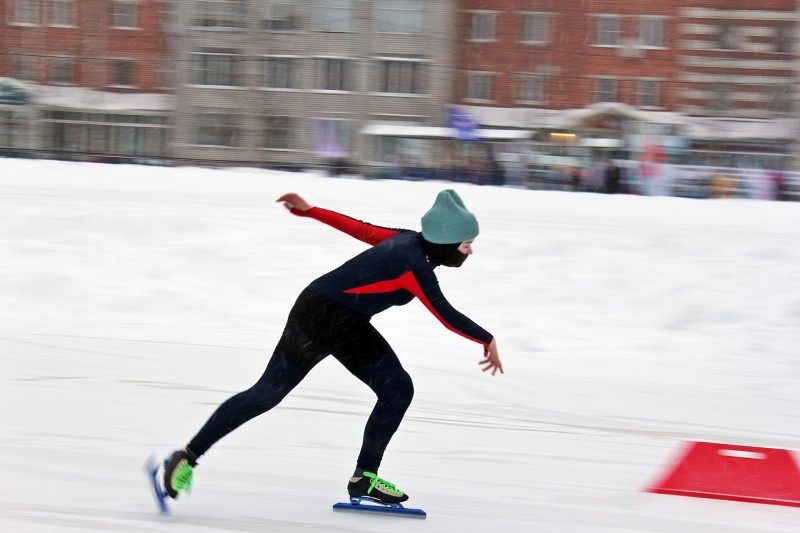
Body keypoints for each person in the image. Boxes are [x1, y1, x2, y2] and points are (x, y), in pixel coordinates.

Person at [159, 189, 504, 506]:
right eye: (466, 244)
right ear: (445, 242)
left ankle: (364, 478)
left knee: (398, 389)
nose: (470, 250)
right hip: (318, 314)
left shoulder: (409, 241)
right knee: (268, 393)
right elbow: (444, 314)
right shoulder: (414, 265)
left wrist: (312, 211)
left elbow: (360, 228)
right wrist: (486, 339)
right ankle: (187, 456)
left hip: (347, 322)